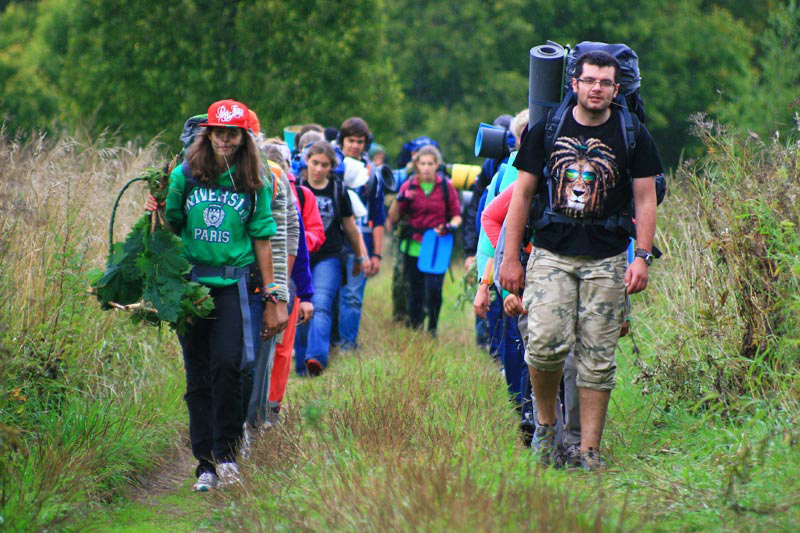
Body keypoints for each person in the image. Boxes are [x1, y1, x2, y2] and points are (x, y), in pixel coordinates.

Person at [498, 51, 662, 470]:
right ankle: (547, 428)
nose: (597, 89)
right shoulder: (548, 127)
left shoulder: (632, 133)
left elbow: (645, 198)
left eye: (605, 83)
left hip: (606, 258)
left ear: (616, 88)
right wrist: (510, 258)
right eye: (589, 81)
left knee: (597, 357)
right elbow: (521, 195)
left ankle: (589, 450)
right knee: (546, 345)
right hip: (551, 252)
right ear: (574, 83)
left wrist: (641, 256)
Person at [148, 99, 287, 492]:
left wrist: (274, 294)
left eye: (233, 134)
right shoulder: (185, 175)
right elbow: (170, 227)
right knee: (198, 376)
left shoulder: (255, 179)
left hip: (234, 286)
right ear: (207, 134)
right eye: (219, 133)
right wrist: (154, 209)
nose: (225, 141)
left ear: (244, 138)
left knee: (231, 366)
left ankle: (227, 457)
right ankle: (205, 465)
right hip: (192, 287)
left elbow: (262, 237)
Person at [294, 141, 368, 375]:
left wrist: (359, 257)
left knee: (322, 304)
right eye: (315, 163)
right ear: (307, 161)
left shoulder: (337, 190)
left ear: (331, 167)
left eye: (324, 165)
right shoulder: (295, 187)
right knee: (299, 305)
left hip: (329, 256)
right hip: (298, 255)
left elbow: (350, 228)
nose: (318, 169)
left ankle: (315, 358)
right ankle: (300, 361)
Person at [388, 145, 461, 335]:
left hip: (437, 246)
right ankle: (415, 329)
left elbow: (457, 216)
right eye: (423, 164)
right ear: (416, 165)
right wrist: (400, 199)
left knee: (435, 290)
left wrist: (449, 226)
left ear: (437, 165)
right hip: (413, 245)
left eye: (430, 163)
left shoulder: (446, 186)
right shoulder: (408, 186)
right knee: (416, 291)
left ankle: (433, 328)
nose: (426, 167)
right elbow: (393, 218)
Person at [333, 117, 385, 350]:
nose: (355, 145)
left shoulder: (372, 174)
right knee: (329, 293)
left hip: (361, 241)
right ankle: (329, 342)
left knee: (352, 296)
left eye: (360, 141)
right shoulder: (329, 165)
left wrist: (376, 254)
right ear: (341, 141)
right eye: (350, 140)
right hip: (332, 240)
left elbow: (378, 216)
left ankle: (347, 345)